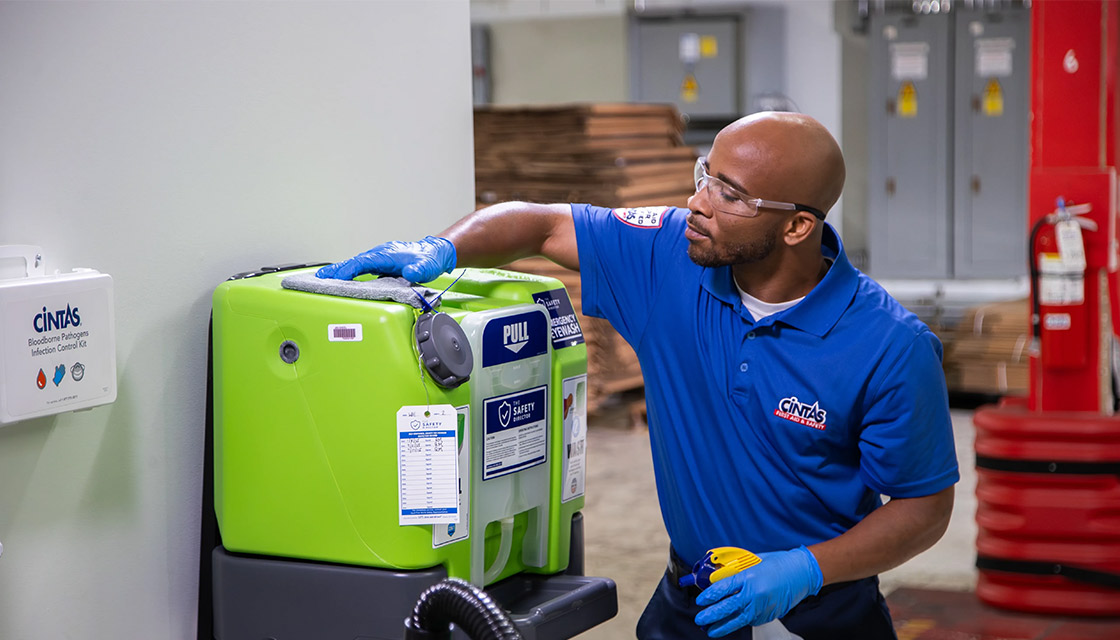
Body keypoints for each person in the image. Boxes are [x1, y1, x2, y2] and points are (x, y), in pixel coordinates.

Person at [317, 111, 959, 640]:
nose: (698, 202)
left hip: (823, 611)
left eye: (731, 195)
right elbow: (539, 224)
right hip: (692, 599)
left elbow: (925, 509)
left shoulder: (888, 346)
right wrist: (443, 248)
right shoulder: (670, 257)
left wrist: (804, 570)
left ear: (797, 226)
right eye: (707, 174)